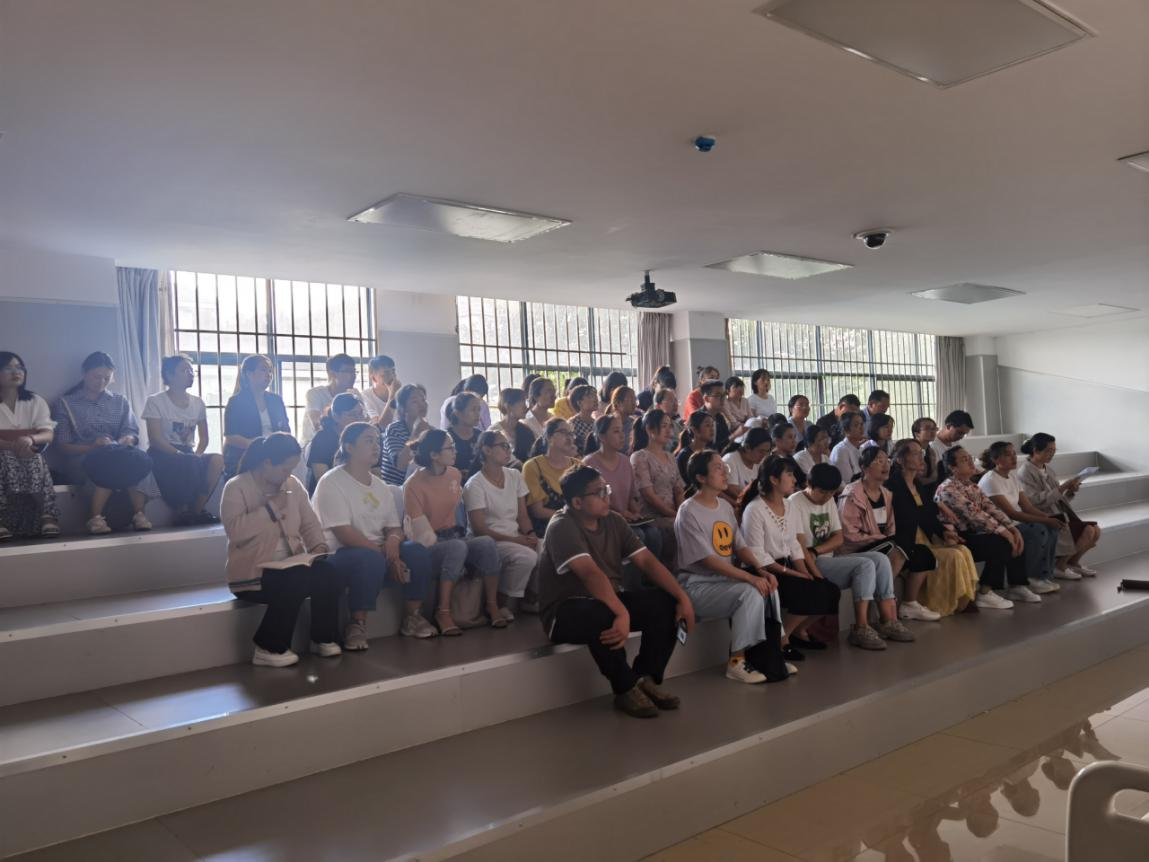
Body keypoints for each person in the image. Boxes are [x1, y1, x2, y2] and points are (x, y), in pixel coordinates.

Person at [539, 465, 695, 718]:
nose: (607, 496)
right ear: (577, 502)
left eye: (607, 489)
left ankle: (646, 679)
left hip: (604, 600)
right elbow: (589, 574)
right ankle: (625, 688)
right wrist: (621, 612)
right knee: (603, 612)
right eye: (599, 492)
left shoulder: (613, 520)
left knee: (665, 602)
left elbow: (647, 562)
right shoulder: (562, 526)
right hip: (564, 612)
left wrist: (682, 597)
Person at [221, 433, 341, 666]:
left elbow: (309, 523)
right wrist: (269, 510)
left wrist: (317, 546)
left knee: (328, 572)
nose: (289, 474)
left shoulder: (292, 486)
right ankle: (268, 647)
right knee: (295, 579)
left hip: (291, 565)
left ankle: (323, 639)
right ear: (267, 463)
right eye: (285, 469)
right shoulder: (236, 487)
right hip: (252, 574)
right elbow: (235, 532)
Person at [312, 422, 437, 646]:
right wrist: (387, 556)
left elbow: (394, 527)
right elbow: (344, 533)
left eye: (377, 441)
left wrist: (393, 544)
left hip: (379, 552)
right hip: (341, 553)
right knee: (369, 559)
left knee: (416, 551)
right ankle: (356, 624)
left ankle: (413, 617)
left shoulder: (380, 486)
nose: (376, 446)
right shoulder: (331, 482)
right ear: (349, 447)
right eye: (368, 441)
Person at [677, 450, 789, 684]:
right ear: (700, 477)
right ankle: (736, 661)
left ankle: (772, 655)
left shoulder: (725, 507)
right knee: (749, 592)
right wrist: (749, 578)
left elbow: (740, 545)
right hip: (697, 586)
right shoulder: (688, 511)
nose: (725, 472)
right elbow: (708, 560)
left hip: (723, 581)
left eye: (724, 466)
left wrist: (760, 569)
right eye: (717, 468)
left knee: (769, 586)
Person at [739, 455, 846, 662]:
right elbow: (757, 554)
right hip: (763, 570)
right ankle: (782, 640)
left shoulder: (789, 506)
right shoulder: (755, 509)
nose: (795, 479)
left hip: (786, 566)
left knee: (829, 591)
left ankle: (795, 632)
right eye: (789, 475)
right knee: (807, 591)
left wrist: (807, 574)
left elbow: (795, 545)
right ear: (774, 480)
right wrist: (794, 574)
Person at [789, 463, 900, 651]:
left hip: (824, 558)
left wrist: (816, 550)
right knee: (864, 565)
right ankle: (860, 627)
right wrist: (818, 578)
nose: (826, 497)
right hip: (808, 564)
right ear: (808, 484)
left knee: (880, 559)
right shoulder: (795, 502)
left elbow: (838, 538)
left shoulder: (828, 501)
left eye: (831, 493)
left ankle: (888, 620)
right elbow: (799, 546)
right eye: (822, 492)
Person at [404, 429, 502, 636]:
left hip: (456, 536)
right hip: (430, 544)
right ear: (434, 455)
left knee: (486, 543)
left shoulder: (454, 474)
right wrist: (450, 544)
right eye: (450, 448)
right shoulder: (413, 484)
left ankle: (492, 605)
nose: (455, 451)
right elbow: (422, 534)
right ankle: (443, 612)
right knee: (456, 548)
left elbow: (458, 515)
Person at [52, 351, 153, 534]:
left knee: (139, 461)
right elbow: (63, 446)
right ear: (84, 373)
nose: (101, 382)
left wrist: (127, 439)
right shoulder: (66, 403)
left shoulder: (120, 401)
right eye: (96, 377)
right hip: (84, 457)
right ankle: (96, 518)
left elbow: (131, 431)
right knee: (106, 463)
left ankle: (139, 514)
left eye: (107, 378)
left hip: (117, 452)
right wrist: (92, 447)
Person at [887, 439, 978, 619]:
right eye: (915, 453)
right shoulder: (892, 486)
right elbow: (905, 517)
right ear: (900, 460)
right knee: (952, 555)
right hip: (906, 540)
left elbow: (927, 515)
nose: (921, 457)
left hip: (924, 536)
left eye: (921, 453)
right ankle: (937, 602)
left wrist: (944, 532)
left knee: (962, 549)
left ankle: (964, 600)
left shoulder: (918, 485)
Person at [934, 447, 1033, 608]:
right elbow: (975, 515)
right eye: (964, 460)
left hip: (974, 533)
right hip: (956, 538)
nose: (970, 462)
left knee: (1016, 533)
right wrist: (1005, 532)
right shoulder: (948, 489)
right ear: (953, 468)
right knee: (1001, 542)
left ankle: (1017, 586)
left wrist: (1011, 528)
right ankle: (985, 593)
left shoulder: (971, 485)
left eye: (970, 457)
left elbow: (990, 508)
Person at [835, 448, 917, 643]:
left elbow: (891, 526)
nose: (885, 465)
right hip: (852, 549)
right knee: (895, 549)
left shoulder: (886, 494)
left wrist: (884, 539)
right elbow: (848, 533)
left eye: (887, 460)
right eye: (879, 461)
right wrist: (880, 539)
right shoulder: (852, 494)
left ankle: (887, 619)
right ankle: (886, 618)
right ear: (864, 467)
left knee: (905, 548)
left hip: (880, 545)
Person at [465, 430, 540, 619]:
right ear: (487, 450)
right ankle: (500, 602)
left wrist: (530, 534)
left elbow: (522, 515)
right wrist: (517, 540)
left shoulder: (514, 475)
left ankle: (530, 598)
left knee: (546, 547)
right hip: (490, 541)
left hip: (514, 536)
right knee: (526, 557)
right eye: (503, 446)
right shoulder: (475, 484)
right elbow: (479, 529)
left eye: (509, 446)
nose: (509, 450)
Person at [143, 355, 225, 525]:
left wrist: (197, 454)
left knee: (217, 460)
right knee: (187, 461)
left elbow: (204, 438)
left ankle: (196, 510)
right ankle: (182, 512)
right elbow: (155, 439)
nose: (190, 374)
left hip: (188, 452)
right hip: (163, 453)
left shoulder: (198, 403)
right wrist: (180, 454)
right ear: (169, 374)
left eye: (191, 370)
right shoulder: (155, 401)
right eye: (184, 370)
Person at [978, 441, 1063, 595]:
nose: (1014, 457)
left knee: (1052, 527)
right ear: (996, 460)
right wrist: (1046, 520)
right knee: (1038, 530)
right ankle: (1030, 577)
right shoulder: (990, 480)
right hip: (999, 526)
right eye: (1008, 454)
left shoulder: (1012, 477)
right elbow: (1012, 514)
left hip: (1013, 523)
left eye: (1014, 453)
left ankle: (1043, 575)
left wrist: (1050, 518)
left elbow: (1027, 507)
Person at [1017, 433, 1101, 578]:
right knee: (1088, 531)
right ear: (1036, 450)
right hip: (1043, 516)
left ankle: (1073, 563)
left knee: (1096, 530)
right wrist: (1063, 487)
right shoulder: (1025, 472)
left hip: (1058, 512)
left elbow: (1058, 500)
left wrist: (1070, 491)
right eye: (1049, 450)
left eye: (1054, 450)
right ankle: (1059, 566)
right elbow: (1035, 501)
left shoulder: (1048, 470)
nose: (1052, 454)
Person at [0, 351, 61, 540]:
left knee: (34, 456)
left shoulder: (34, 400)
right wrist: (11, 445)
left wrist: (30, 439)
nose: (16, 372)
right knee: (5, 457)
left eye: (19, 367)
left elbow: (48, 434)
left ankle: (47, 516)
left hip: (28, 451)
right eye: (8, 368)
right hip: (2, 453)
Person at [584, 415, 662, 560]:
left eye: (621, 430)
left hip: (626, 518)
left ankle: (649, 573)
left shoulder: (625, 461)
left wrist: (636, 513)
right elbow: (592, 503)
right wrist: (621, 514)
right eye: (616, 431)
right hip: (603, 519)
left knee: (654, 534)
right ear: (602, 437)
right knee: (638, 536)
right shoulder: (590, 464)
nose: (622, 435)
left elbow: (631, 497)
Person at [631, 409, 685, 565]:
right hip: (652, 516)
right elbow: (649, 495)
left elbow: (678, 489)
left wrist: (682, 512)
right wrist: (674, 515)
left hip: (673, 513)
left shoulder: (670, 457)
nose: (669, 431)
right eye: (664, 426)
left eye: (670, 426)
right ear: (650, 430)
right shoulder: (640, 457)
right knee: (679, 527)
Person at [222, 354, 291, 476]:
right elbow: (231, 437)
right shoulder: (236, 401)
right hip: (246, 454)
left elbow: (286, 430)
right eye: (263, 370)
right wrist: (259, 447)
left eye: (270, 371)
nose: (269, 374)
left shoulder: (276, 400)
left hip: (274, 453)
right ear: (249, 374)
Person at [523, 417, 582, 536]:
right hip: (549, 530)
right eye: (564, 432)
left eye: (571, 434)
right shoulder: (533, 466)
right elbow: (537, 511)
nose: (569, 438)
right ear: (549, 437)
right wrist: (571, 519)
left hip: (580, 525)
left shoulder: (578, 465)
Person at [306, 392, 365, 493]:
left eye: (361, 414)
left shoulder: (363, 437)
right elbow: (322, 477)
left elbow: (374, 472)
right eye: (352, 415)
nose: (359, 419)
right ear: (336, 416)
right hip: (328, 493)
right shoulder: (322, 439)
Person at [301, 354, 360, 446]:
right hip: (315, 444)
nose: (353, 376)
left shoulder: (355, 395)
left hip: (343, 444)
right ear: (332, 374)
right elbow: (316, 424)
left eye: (354, 372)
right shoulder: (315, 394)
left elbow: (365, 422)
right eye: (347, 371)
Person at [380, 383, 430, 485]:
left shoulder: (430, 430)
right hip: (396, 488)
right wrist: (416, 435)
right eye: (414, 401)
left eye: (423, 400)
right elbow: (401, 465)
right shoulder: (394, 429)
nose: (421, 404)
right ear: (403, 408)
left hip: (421, 486)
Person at [444, 391, 484, 478]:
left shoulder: (481, 436)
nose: (478, 414)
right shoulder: (446, 438)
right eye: (473, 410)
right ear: (458, 413)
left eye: (479, 409)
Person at [723, 427, 772, 496]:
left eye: (767, 452)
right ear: (747, 447)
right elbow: (733, 490)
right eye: (761, 451)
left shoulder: (759, 462)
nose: (764, 455)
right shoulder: (730, 460)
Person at [493, 387, 535, 466]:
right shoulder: (494, 431)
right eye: (522, 403)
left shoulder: (526, 430)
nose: (526, 407)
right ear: (508, 407)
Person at [360, 355, 401, 429]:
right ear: (373, 377)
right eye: (386, 374)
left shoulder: (401, 393)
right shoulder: (365, 396)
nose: (392, 376)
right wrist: (392, 397)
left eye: (393, 371)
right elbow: (380, 427)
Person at [676, 410, 716, 484]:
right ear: (695, 430)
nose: (712, 429)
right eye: (707, 425)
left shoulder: (711, 451)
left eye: (712, 425)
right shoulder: (685, 456)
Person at [829, 411, 865, 488]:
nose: (861, 428)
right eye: (856, 425)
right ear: (846, 430)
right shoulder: (840, 450)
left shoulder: (862, 448)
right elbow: (847, 481)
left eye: (862, 424)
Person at [699, 380, 731, 452]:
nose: (723, 399)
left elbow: (725, 443)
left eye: (724, 395)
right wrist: (735, 435)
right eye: (718, 395)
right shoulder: (698, 418)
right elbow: (706, 448)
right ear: (706, 398)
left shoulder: (719, 417)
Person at [912, 417, 942, 492]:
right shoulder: (911, 451)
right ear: (917, 434)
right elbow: (916, 479)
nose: (932, 431)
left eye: (934, 429)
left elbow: (934, 475)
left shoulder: (931, 451)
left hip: (928, 489)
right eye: (927, 429)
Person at [567, 384, 599, 455]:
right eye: (590, 396)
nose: (596, 399)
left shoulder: (597, 423)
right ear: (579, 403)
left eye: (595, 395)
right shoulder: (572, 423)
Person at [722, 376, 753, 442]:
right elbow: (733, 423)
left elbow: (751, 418)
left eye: (741, 386)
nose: (740, 389)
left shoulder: (745, 401)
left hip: (747, 429)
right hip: (734, 432)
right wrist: (747, 426)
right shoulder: (725, 403)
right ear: (728, 390)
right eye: (735, 387)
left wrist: (749, 425)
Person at [654, 388, 684, 453]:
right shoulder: (654, 427)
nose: (675, 404)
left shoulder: (678, 426)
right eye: (671, 400)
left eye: (676, 400)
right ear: (658, 405)